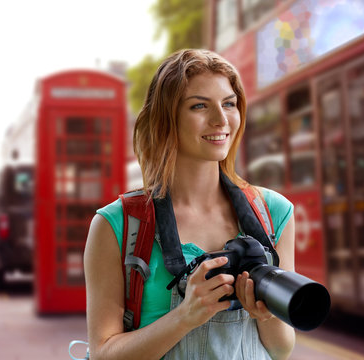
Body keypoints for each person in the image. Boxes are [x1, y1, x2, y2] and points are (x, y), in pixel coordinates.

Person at [84, 49, 296, 360]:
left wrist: (265, 314)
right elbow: (103, 353)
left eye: (229, 104)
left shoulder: (274, 212)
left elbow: (281, 348)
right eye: (199, 106)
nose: (220, 120)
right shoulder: (117, 225)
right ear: (166, 117)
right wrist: (186, 316)